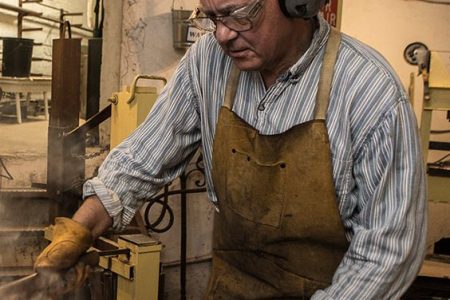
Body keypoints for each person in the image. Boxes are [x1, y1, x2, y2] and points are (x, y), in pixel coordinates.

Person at [35, 0, 427, 298]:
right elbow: (141, 159)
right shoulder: (208, 62)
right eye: (211, 17)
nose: (222, 34)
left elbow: (387, 254)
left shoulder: (370, 93)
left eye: (240, 14)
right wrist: (79, 229)